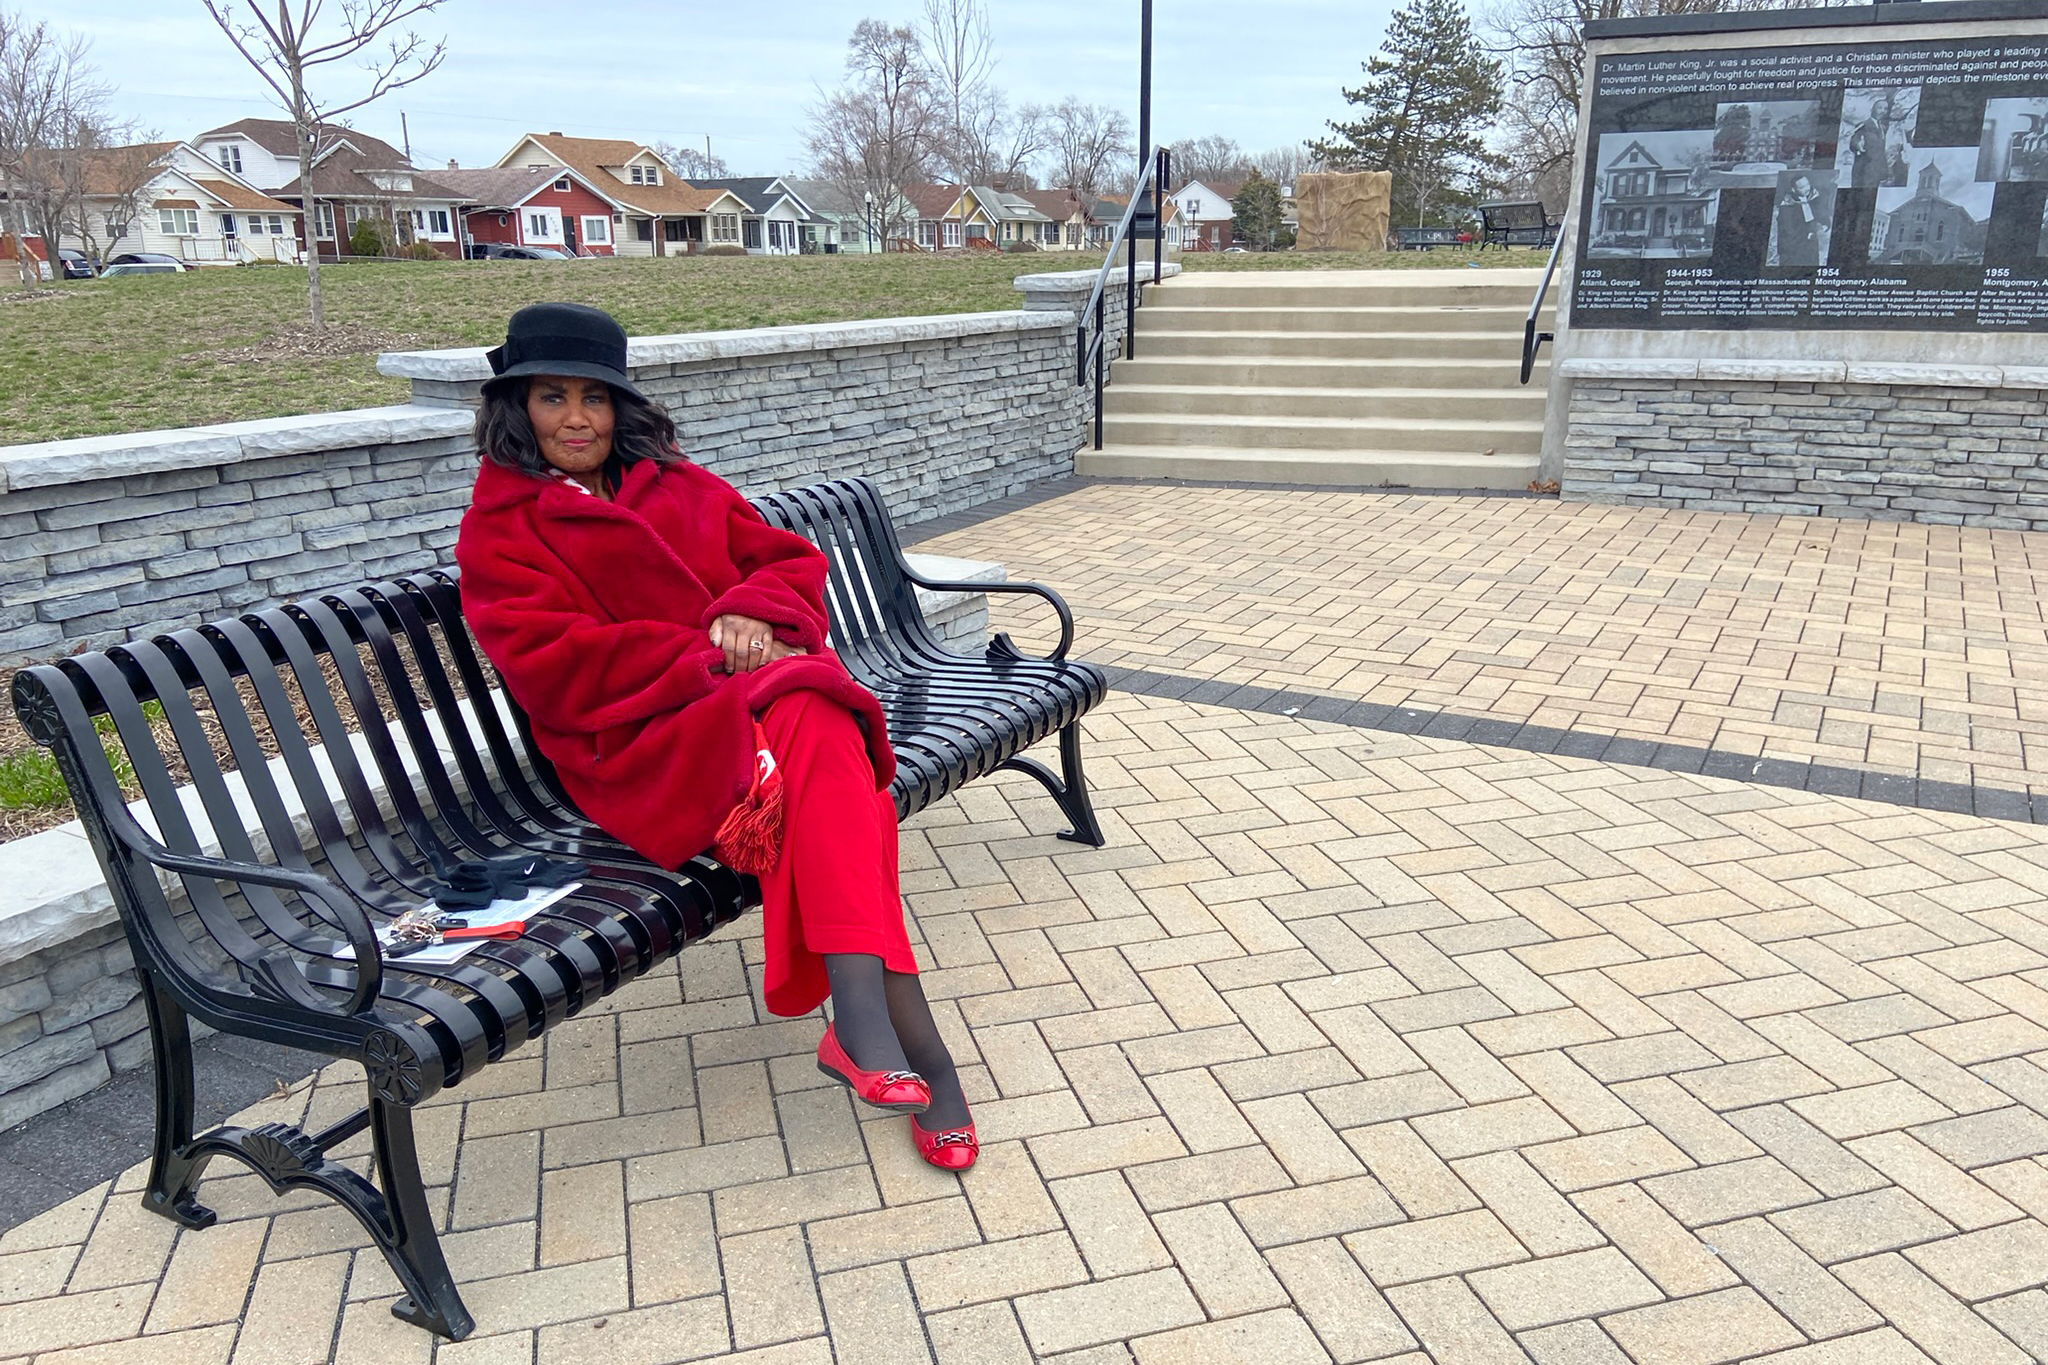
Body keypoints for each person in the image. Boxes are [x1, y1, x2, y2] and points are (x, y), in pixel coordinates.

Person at [454, 302, 977, 1171]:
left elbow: (787, 562)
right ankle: (911, 1051)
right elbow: (554, 666)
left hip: (760, 715)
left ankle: (869, 1029)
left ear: (621, 406)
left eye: (595, 397)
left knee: (817, 734)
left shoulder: (676, 483)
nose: (577, 419)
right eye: (553, 397)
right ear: (519, 408)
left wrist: (752, 611)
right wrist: (710, 655)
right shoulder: (502, 527)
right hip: (644, 746)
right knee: (826, 738)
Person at [1776, 172, 1823, 268]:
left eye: (1807, 185)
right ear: (1794, 189)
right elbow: (1788, 231)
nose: (1807, 189)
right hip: (1794, 245)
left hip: (1810, 242)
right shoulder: (1787, 206)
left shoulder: (1814, 197)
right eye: (1802, 187)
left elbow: (1818, 217)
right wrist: (1807, 234)